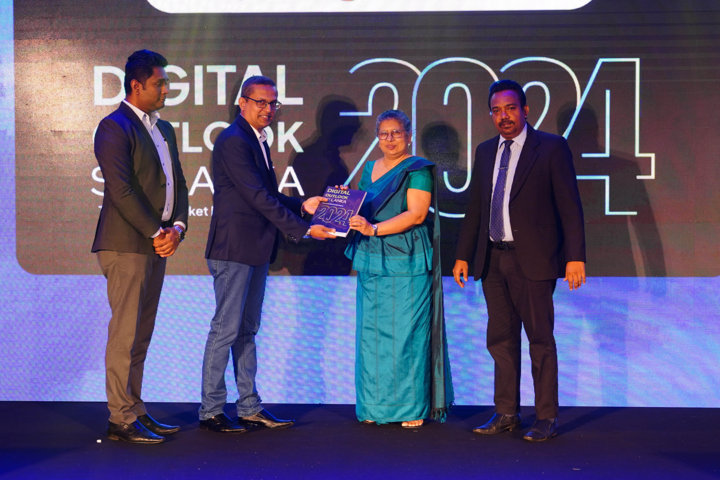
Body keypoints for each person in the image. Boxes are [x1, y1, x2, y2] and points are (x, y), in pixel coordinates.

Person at [199, 75, 335, 433]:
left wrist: (302, 205)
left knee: (247, 330)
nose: (268, 109)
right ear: (242, 103)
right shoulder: (234, 140)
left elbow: (268, 194)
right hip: (233, 249)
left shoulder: (257, 139)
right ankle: (211, 410)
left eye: (273, 103)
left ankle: (249, 407)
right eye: (260, 102)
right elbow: (257, 198)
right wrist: (304, 229)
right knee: (226, 330)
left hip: (255, 249)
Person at [453, 79, 586, 442]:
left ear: (525, 111)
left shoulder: (551, 147)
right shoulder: (485, 151)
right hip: (492, 260)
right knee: (500, 339)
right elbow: (476, 208)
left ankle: (546, 417)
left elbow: (570, 207)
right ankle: (507, 412)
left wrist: (575, 258)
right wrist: (463, 254)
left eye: (510, 108)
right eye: (496, 111)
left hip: (534, 261)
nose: (504, 117)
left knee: (540, 340)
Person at [92, 49, 189, 444]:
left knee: (141, 333)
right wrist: (156, 231)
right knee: (125, 333)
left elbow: (179, 183)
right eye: (159, 83)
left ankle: (135, 409)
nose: (166, 89)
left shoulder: (164, 129)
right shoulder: (114, 127)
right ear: (136, 85)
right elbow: (121, 190)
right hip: (126, 244)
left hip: (156, 244)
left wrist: (177, 227)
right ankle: (120, 417)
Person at [346, 109, 453, 428]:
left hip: (406, 257)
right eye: (384, 134)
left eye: (396, 133)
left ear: (408, 135)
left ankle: (411, 408)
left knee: (407, 334)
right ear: (377, 137)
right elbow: (362, 208)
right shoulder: (370, 168)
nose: (390, 139)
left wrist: (374, 229)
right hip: (372, 258)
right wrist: (341, 207)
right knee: (371, 335)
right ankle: (373, 406)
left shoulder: (417, 168)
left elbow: (417, 214)